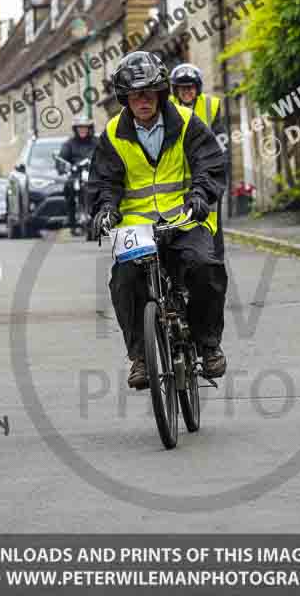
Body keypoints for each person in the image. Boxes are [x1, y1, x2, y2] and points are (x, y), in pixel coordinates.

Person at [89, 51, 228, 389]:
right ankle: (139, 357)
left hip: (184, 218)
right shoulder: (112, 134)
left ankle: (208, 346)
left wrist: (199, 195)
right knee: (123, 281)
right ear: (125, 99)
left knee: (204, 268)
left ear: (161, 93)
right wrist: (105, 208)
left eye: (149, 92)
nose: (143, 101)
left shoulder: (186, 122)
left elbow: (208, 164)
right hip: (137, 226)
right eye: (135, 95)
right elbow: (104, 182)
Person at [170, 63, 227, 261]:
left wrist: (218, 165)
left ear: (198, 88)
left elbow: (221, 140)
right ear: (175, 89)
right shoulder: (166, 107)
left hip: (205, 175)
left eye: (190, 87)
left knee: (211, 223)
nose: (186, 92)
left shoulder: (211, 106)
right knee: (175, 225)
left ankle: (215, 263)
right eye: (182, 88)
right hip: (174, 178)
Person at [58, 117, 98, 235]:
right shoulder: (69, 144)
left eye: (85, 128)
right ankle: (72, 221)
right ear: (75, 129)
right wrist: (62, 167)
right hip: (76, 175)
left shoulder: (97, 142)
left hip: (94, 174)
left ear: (90, 129)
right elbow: (62, 159)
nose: (82, 130)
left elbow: (106, 155)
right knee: (68, 188)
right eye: (80, 128)